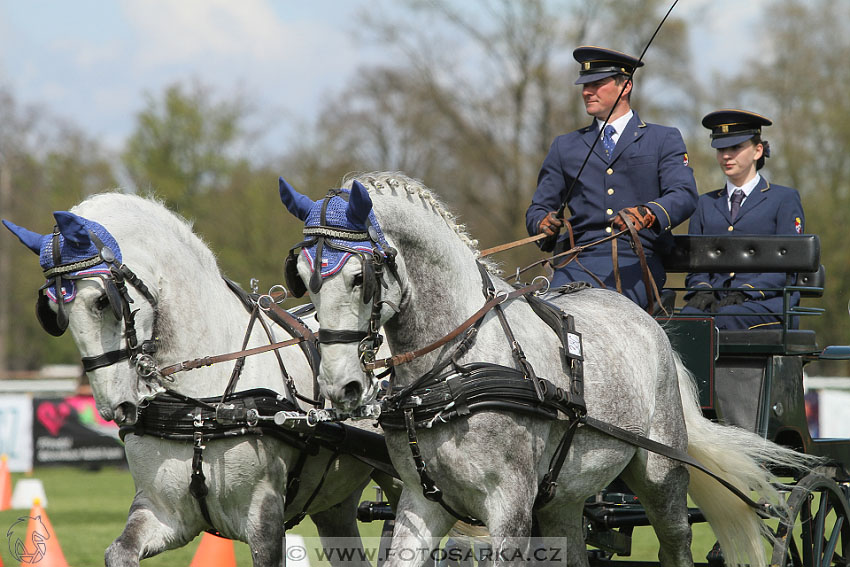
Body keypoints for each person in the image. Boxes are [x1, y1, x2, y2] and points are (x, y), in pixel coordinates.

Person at [525, 46, 698, 310]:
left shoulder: (662, 139)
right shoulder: (565, 146)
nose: (586, 91)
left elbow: (684, 194)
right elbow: (538, 208)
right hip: (576, 261)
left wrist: (649, 213)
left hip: (636, 260)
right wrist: (542, 222)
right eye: (584, 85)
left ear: (625, 85)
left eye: (597, 84)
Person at [681, 109, 805, 329]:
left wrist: (746, 291)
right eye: (720, 149)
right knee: (684, 323)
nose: (726, 156)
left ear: (758, 151)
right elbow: (696, 264)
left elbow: (787, 266)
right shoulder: (704, 204)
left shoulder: (783, 199)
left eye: (735, 148)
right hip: (717, 304)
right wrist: (702, 289)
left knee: (726, 318)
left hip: (768, 304)